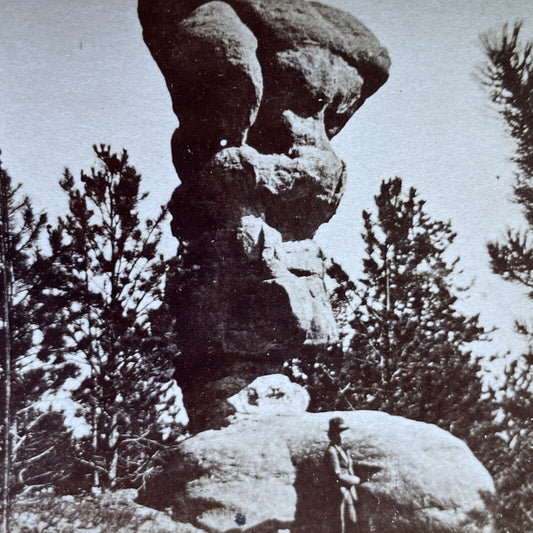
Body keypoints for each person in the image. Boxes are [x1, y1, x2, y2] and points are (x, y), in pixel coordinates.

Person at [324, 417, 361, 533]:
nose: (341, 436)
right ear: (332, 434)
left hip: (349, 489)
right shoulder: (331, 451)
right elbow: (337, 474)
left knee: (353, 520)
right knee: (342, 522)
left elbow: (349, 468)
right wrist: (355, 480)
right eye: (338, 433)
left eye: (342, 433)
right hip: (339, 491)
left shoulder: (343, 450)